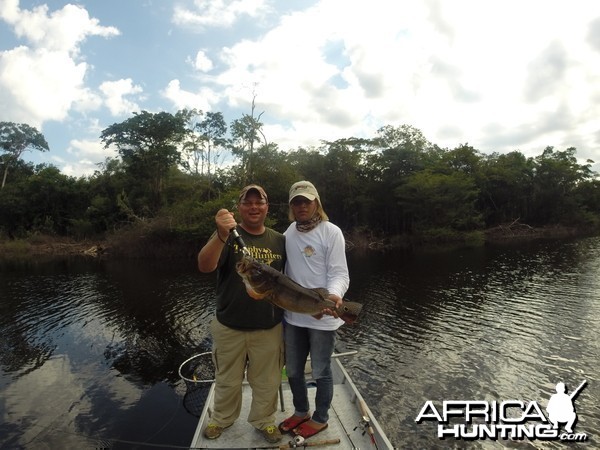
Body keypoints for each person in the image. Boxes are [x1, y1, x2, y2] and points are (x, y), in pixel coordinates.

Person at [197, 184, 286, 444]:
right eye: (248, 202)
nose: (254, 207)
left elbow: (290, 282)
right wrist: (220, 233)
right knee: (227, 380)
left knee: (268, 382)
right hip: (229, 326)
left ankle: (264, 421)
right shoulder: (225, 236)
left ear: (267, 207)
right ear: (240, 208)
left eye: (260, 202)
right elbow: (204, 265)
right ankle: (222, 419)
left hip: (268, 327)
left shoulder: (279, 240)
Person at [278, 180, 350, 439]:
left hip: (323, 316)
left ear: (316, 202)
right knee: (294, 370)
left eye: (306, 201)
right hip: (294, 316)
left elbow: (339, 272)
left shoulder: (331, 232)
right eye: (296, 202)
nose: (301, 206)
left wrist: (334, 296)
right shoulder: (287, 233)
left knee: (321, 371)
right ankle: (300, 411)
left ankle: (320, 418)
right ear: (291, 207)